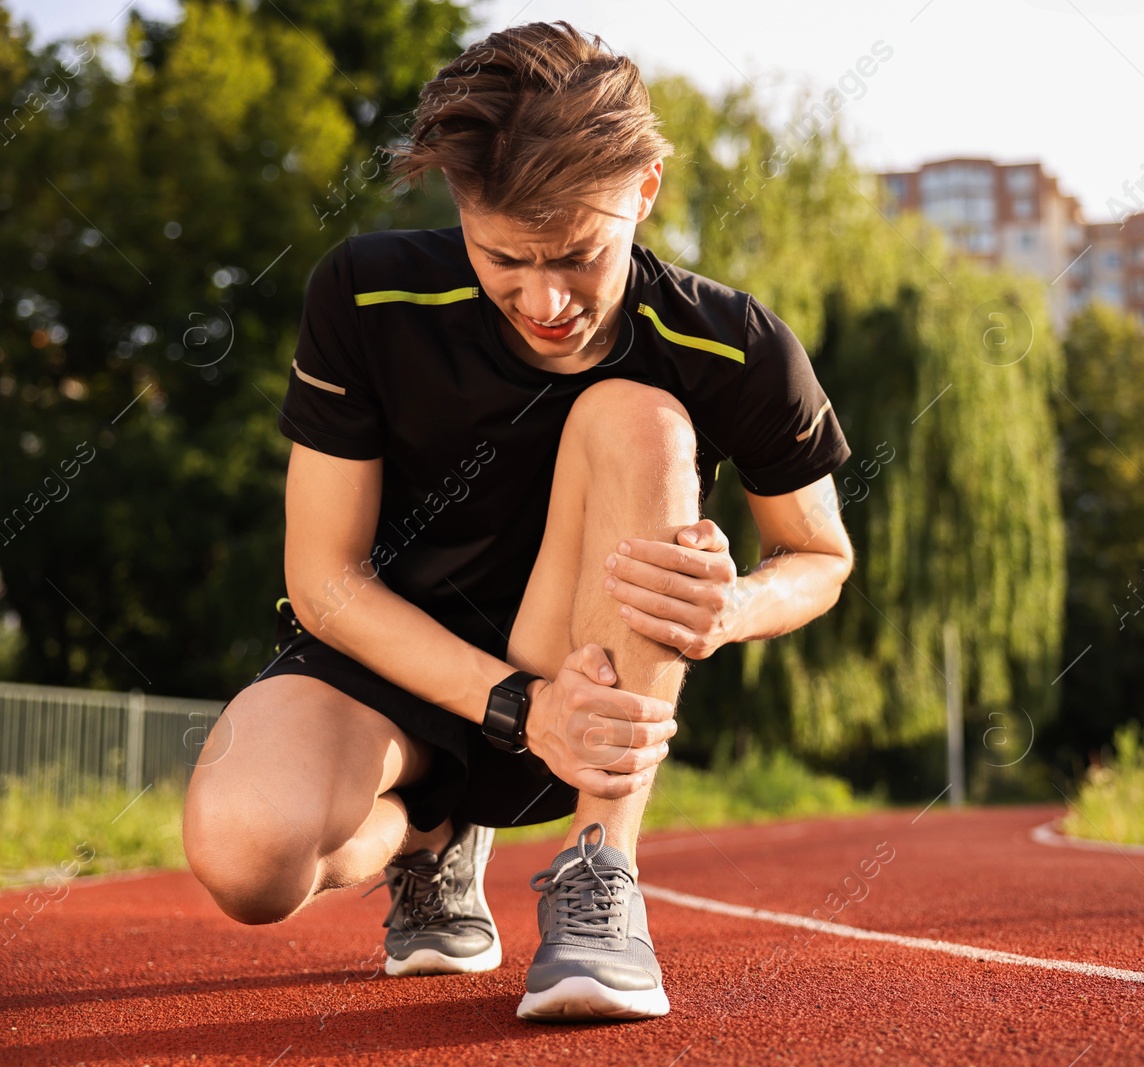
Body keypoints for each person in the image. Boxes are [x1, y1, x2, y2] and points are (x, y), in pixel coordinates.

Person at [181, 20, 854, 1022]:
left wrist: (736, 604)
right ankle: (428, 833)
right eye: (505, 257)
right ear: (461, 205)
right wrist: (507, 704)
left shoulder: (732, 345)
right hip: (387, 672)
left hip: (583, 683)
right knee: (248, 855)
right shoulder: (364, 297)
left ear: (645, 190)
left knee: (639, 417)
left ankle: (600, 876)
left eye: (577, 254)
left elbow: (820, 554)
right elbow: (323, 579)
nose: (544, 298)